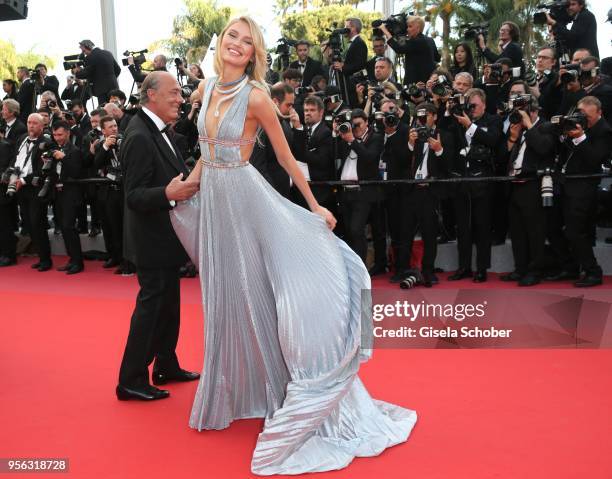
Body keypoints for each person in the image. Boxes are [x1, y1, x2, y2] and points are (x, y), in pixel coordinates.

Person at [170, 16, 416, 476]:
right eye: (232, 37)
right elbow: (204, 153)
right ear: (221, 43)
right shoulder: (204, 90)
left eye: (247, 41)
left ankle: (294, 386)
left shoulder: (257, 96)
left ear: (255, 52)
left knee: (268, 288)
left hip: (247, 199)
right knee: (226, 298)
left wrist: (314, 205)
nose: (237, 45)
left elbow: (284, 156)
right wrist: (183, 188)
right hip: (216, 205)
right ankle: (238, 393)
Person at [116, 71, 200, 401]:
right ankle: (130, 379)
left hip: (166, 238)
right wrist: (168, 192)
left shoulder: (160, 131)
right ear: (152, 95)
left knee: (169, 307)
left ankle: (165, 364)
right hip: (150, 240)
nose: (181, 99)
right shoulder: (138, 135)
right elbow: (134, 195)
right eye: (174, 93)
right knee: (151, 309)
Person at [74, 39, 121, 104]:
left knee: (104, 111)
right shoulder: (108, 53)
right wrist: (111, 79)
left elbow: (86, 73)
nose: (84, 53)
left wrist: (77, 72)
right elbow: (118, 69)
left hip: (102, 91)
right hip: (114, 87)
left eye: (83, 51)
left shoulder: (90, 57)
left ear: (87, 47)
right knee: (116, 108)